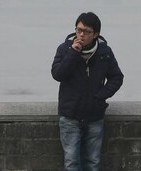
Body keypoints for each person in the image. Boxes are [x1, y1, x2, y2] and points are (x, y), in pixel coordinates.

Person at [51, 12, 124, 171]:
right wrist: (73, 53)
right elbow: (57, 74)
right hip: (70, 115)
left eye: (86, 31)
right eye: (79, 30)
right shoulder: (64, 49)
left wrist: (100, 97)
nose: (81, 34)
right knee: (71, 162)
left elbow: (116, 78)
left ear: (96, 34)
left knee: (93, 162)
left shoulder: (104, 52)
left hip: (94, 115)